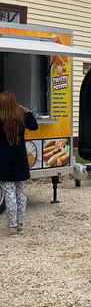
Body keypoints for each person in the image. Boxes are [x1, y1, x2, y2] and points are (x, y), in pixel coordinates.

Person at [0, 90, 37, 236]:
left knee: (9, 192)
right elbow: (34, 126)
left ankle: (11, 226)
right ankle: (20, 224)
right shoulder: (21, 117)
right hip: (20, 161)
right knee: (21, 192)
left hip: (5, 162)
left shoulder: (1, 119)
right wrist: (27, 111)